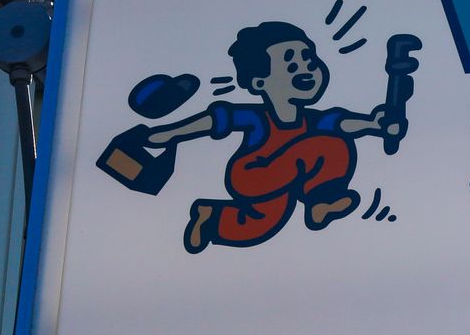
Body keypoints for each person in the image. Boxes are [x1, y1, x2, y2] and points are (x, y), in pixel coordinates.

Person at [143, 21, 403, 251]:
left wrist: (373, 123)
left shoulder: (311, 120)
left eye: (309, 60)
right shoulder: (258, 119)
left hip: (286, 180)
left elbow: (342, 122)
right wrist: (170, 134)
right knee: (329, 143)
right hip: (252, 173)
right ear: (259, 82)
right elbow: (215, 120)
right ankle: (321, 201)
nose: (305, 68)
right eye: (290, 63)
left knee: (262, 223)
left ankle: (210, 218)